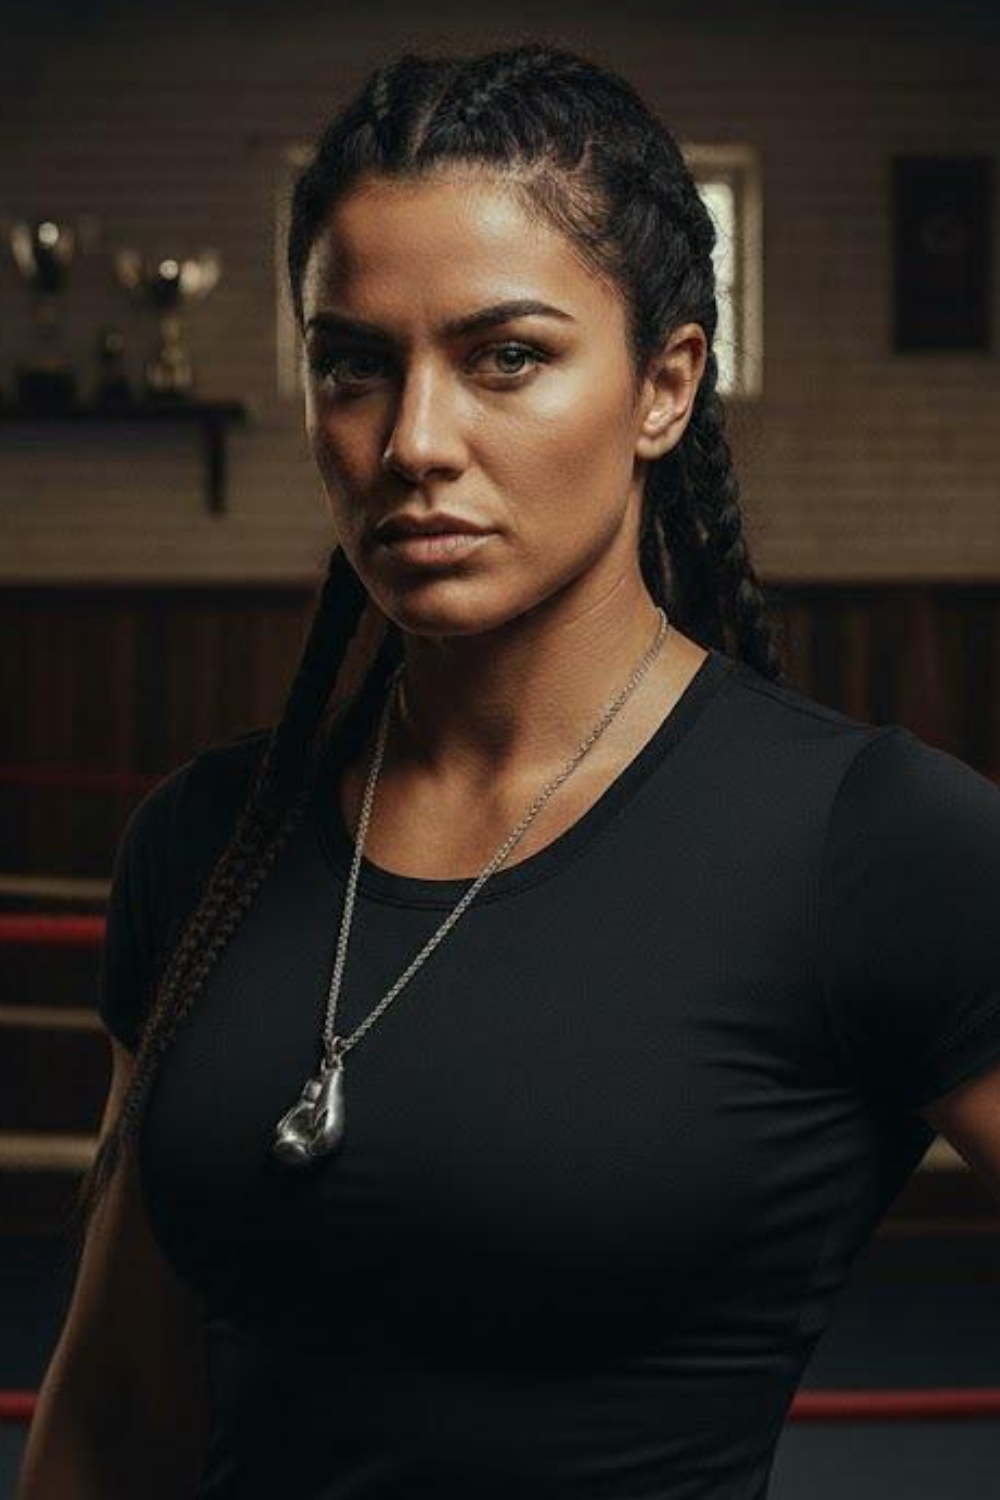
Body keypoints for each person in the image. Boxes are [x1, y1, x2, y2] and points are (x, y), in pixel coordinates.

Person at [18, 40, 1000, 1500]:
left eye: (507, 358)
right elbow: (112, 1416)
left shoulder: (872, 839)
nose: (415, 442)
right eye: (355, 364)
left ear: (665, 388)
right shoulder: (206, 846)